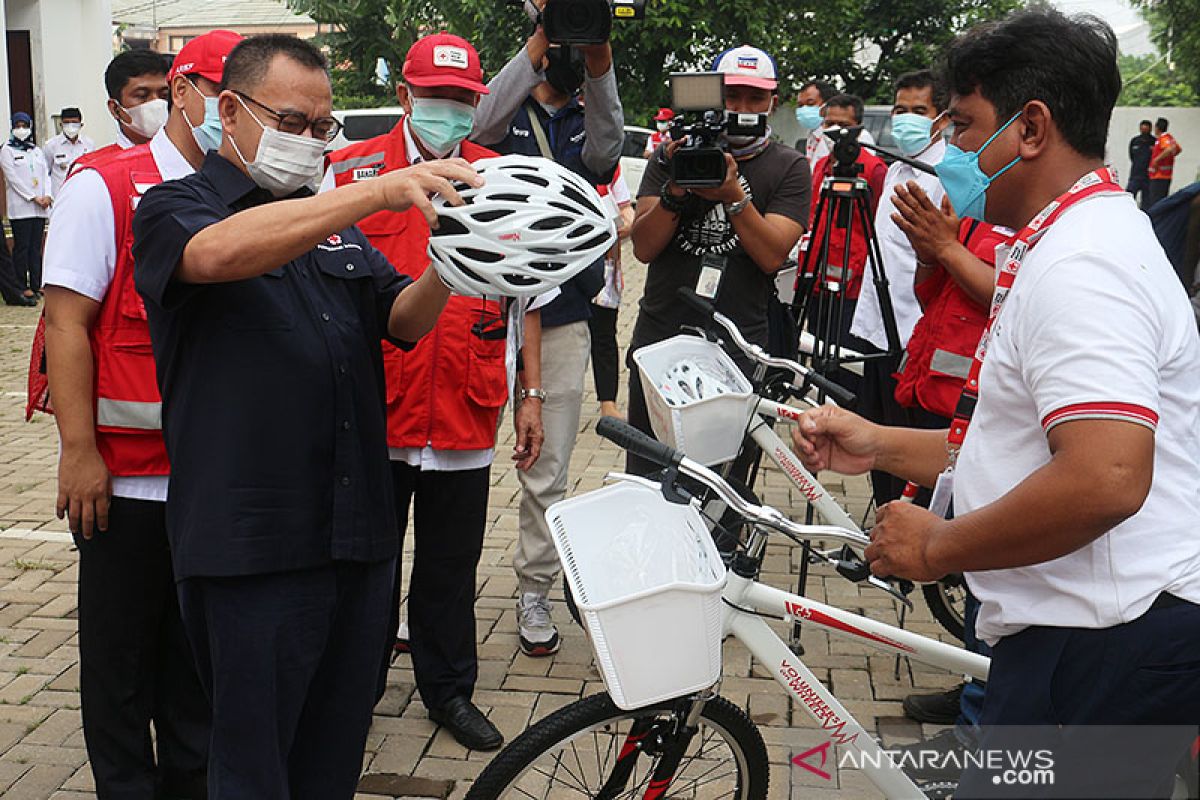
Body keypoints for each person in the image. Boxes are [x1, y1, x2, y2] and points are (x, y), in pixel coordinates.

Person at [792, 10, 1200, 796]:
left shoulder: (1086, 265)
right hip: (1078, 632)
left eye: (968, 125)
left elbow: (1107, 477)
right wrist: (876, 441)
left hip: (1101, 644)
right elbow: (1020, 447)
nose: (948, 153)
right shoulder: (1066, 240)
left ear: (1033, 127)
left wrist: (937, 548)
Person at [131, 34, 481, 798]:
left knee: (332, 756)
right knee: (254, 767)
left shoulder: (329, 226)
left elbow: (402, 319)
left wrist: (456, 264)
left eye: (320, 128)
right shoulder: (175, 207)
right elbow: (218, 256)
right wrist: (377, 190)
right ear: (230, 109)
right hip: (253, 550)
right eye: (291, 122)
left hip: (353, 539)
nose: (309, 142)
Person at [323, 31, 545, 752]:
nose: (449, 111)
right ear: (404, 95)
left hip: (464, 403)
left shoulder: (503, 178)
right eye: (437, 96)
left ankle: (448, 691)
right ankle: (352, 692)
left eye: (462, 99)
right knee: (364, 566)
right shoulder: (350, 173)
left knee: (450, 567)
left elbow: (528, 299)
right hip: (374, 406)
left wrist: (531, 394)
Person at [40, 30, 243, 799]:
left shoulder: (249, 198)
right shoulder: (105, 186)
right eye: (223, 98)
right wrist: (78, 451)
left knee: (194, 668)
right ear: (184, 92)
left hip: (210, 481)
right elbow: (65, 322)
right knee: (120, 672)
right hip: (123, 485)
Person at [471, 2, 623, 657]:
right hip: (480, 311)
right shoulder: (506, 107)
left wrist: (600, 59)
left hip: (560, 314)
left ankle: (535, 588)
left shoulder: (584, 112)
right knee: (456, 462)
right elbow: (479, 123)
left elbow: (608, 148)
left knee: (549, 467)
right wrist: (540, 37)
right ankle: (432, 595)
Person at [628, 44, 810, 475]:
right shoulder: (671, 154)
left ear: (773, 102)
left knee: (725, 482)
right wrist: (675, 192)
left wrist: (733, 196)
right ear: (711, 97)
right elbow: (643, 247)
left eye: (755, 97)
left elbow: (771, 256)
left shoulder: (789, 167)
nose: (741, 108)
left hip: (738, 343)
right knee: (649, 471)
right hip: (661, 337)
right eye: (731, 96)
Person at [848, 69, 949, 508]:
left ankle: (912, 522)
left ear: (941, 118)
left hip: (915, 333)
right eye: (901, 110)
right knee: (876, 430)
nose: (907, 120)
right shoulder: (892, 171)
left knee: (909, 441)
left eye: (919, 111)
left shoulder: (948, 174)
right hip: (877, 329)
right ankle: (884, 512)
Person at [800, 92, 887, 372]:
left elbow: (876, 226)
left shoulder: (873, 169)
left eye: (843, 125)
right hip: (816, 277)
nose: (836, 132)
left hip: (852, 286)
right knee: (816, 350)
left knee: (845, 361)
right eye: (829, 124)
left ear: (859, 127)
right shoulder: (824, 166)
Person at [590, 166, 635, 418]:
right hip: (563, 265)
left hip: (605, 265)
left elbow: (626, 209)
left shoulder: (609, 168)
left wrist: (627, 222)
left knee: (604, 334)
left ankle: (608, 402)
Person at [2, 112, 52, 300]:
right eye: (18, 125)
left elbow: (45, 174)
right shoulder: (7, 150)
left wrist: (47, 195)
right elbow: (12, 179)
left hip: (40, 208)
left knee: (35, 247)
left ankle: (37, 284)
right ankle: (21, 285)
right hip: (21, 207)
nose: (21, 129)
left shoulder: (35, 150)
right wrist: (32, 197)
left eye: (25, 125)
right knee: (21, 248)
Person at [43, 107, 94, 198]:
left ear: (81, 125)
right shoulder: (51, 145)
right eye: (66, 122)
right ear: (61, 124)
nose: (70, 126)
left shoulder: (89, 144)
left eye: (74, 122)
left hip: (83, 194)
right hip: (59, 196)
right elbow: (45, 173)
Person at [1146, 116, 1182, 210]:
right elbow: (1177, 149)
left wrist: (1157, 159)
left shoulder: (1163, 138)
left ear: (1157, 128)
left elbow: (1169, 149)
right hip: (1165, 175)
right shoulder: (1170, 138)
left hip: (1159, 175)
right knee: (1161, 200)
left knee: (1156, 201)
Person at [1126, 118, 1155, 208]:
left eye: (1146, 128)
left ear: (1150, 129)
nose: (1144, 130)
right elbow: (1132, 156)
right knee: (1129, 197)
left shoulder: (1154, 142)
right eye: (1142, 128)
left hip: (1148, 176)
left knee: (1147, 202)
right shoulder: (1135, 141)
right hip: (1135, 175)